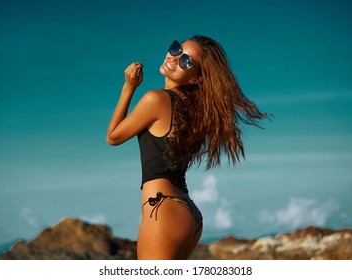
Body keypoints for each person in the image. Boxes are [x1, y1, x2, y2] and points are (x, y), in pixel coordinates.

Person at [107, 35, 268, 260]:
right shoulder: (196, 111)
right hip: (189, 214)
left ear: (195, 79)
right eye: (176, 49)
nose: (174, 58)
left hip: (162, 209)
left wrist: (128, 87)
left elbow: (113, 137)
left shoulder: (156, 99)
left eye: (186, 61)